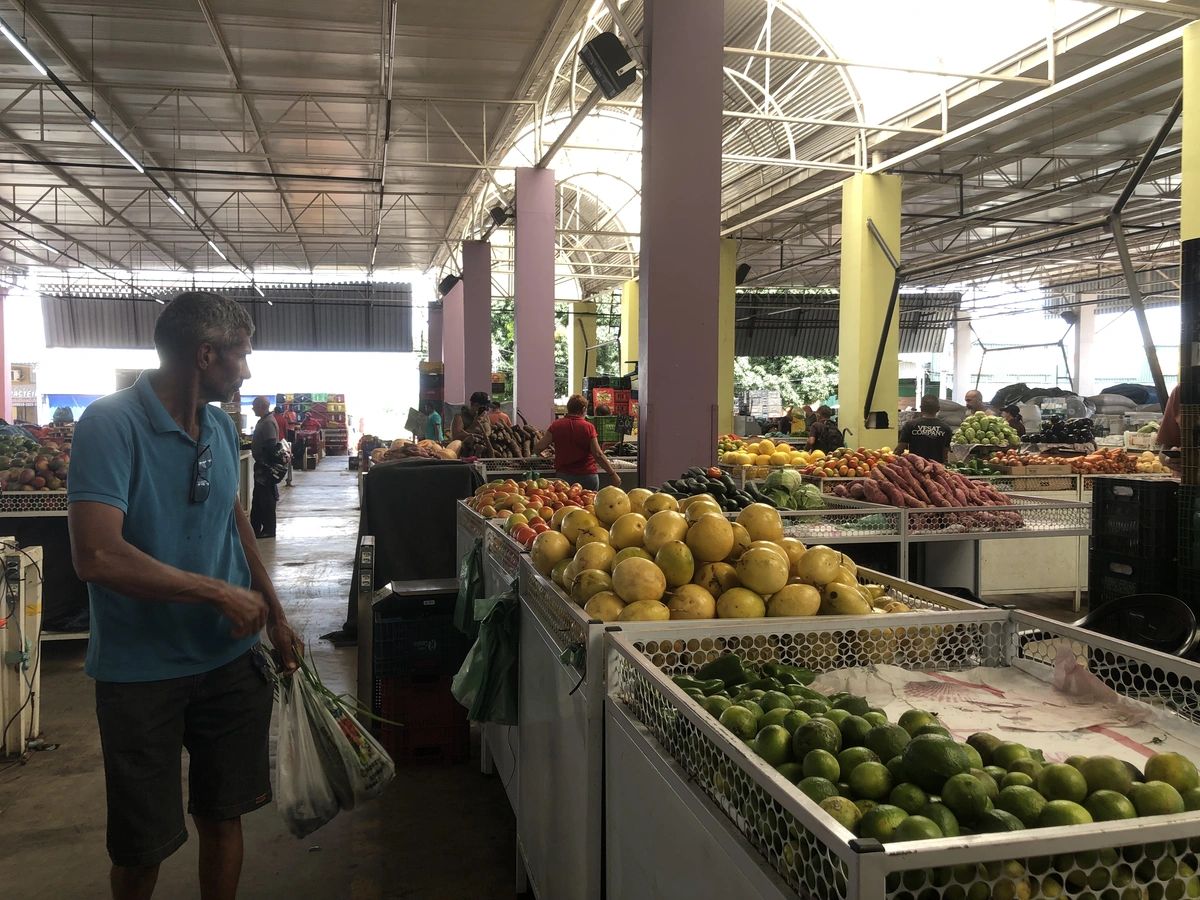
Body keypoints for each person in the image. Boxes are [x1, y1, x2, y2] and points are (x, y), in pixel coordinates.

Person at [66, 291, 301, 900]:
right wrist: (217, 593)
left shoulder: (222, 426)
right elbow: (95, 554)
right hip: (141, 673)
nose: (247, 371)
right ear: (206, 355)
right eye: (241, 356)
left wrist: (273, 613)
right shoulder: (110, 424)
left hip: (228, 663)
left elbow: (234, 517)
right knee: (144, 846)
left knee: (224, 815)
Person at [534, 394, 621, 490]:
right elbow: (598, 454)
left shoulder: (556, 425)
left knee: (565, 504)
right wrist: (612, 473)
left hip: (563, 478)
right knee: (589, 504)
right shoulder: (588, 427)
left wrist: (544, 455)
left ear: (568, 408)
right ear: (583, 409)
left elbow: (538, 448)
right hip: (587, 476)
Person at [250, 396, 279, 539]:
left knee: (266, 498)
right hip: (262, 465)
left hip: (265, 467)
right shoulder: (263, 421)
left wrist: (263, 463)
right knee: (259, 498)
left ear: (261, 406)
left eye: (254, 406)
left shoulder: (268, 423)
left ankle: (269, 528)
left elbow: (271, 444)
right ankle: (256, 528)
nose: (253, 408)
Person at [896, 396, 955, 463]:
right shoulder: (946, 428)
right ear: (938, 409)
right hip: (936, 468)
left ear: (921, 408)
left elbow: (899, 449)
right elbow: (945, 453)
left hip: (915, 467)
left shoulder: (910, 425)